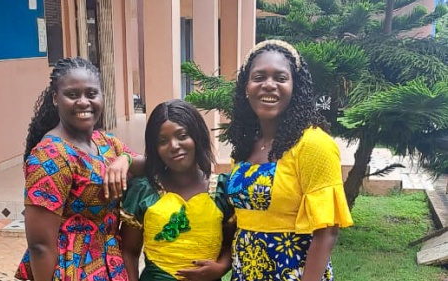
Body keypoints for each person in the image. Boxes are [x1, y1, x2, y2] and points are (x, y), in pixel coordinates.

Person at [226, 40, 354, 280]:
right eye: (259, 77)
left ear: (295, 87)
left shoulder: (314, 144)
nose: (269, 85)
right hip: (246, 270)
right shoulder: (245, 147)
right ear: (246, 87)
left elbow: (326, 232)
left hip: (293, 271)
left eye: (280, 78)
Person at [15, 57, 144, 281]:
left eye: (91, 94)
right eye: (72, 95)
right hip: (71, 269)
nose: (83, 102)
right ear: (56, 98)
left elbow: (151, 165)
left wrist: (126, 159)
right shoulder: (50, 157)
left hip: (111, 264)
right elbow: (40, 246)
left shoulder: (105, 143)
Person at [120, 99, 234, 281]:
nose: (174, 146)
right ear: (155, 148)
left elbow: (230, 244)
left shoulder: (222, 189)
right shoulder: (144, 191)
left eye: (182, 136)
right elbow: (129, 252)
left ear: (197, 137)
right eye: (163, 141)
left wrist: (220, 267)